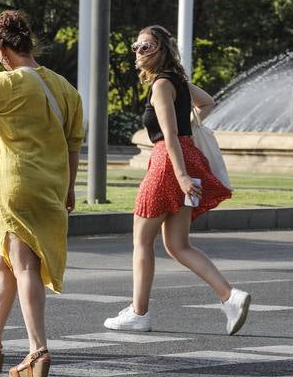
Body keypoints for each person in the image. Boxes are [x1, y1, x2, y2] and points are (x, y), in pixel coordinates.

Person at [0, 11, 84, 377]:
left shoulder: (7, 83)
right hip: (52, 187)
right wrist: (70, 186)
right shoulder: (64, 88)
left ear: (2, 47)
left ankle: (38, 350)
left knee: (23, 265)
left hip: (16, 185)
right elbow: (74, 144)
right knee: (3, 263)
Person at [104, 25, 251, 335]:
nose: (137, 51)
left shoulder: (161, 86)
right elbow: (207, 101)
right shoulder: (179, 82)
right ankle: (230, 296)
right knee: (177, 244)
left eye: (144, 46)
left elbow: (169, 136)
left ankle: (138, 313)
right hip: (187, 159)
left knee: (142, 240)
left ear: (160, 49)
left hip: (167, 163)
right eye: (136, 46)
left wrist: (182, 175)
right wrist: (188, 144)